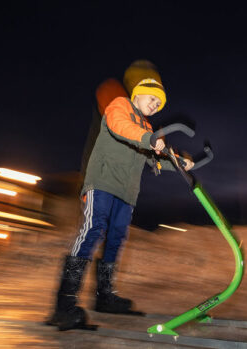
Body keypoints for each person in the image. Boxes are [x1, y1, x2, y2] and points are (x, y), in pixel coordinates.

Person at [48, 60, 194, 331]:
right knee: (92, 230)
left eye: (159, 104)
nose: (155, 106)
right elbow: (119, 127)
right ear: (137, 93)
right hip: (102, 183)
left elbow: (154, 160)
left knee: (116, 239)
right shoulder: (120, 106)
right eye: (152, 99)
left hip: (126, 193)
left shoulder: (147, 128)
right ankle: (64, 305)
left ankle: (105, 297)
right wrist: (149, 140)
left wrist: (179, 161)